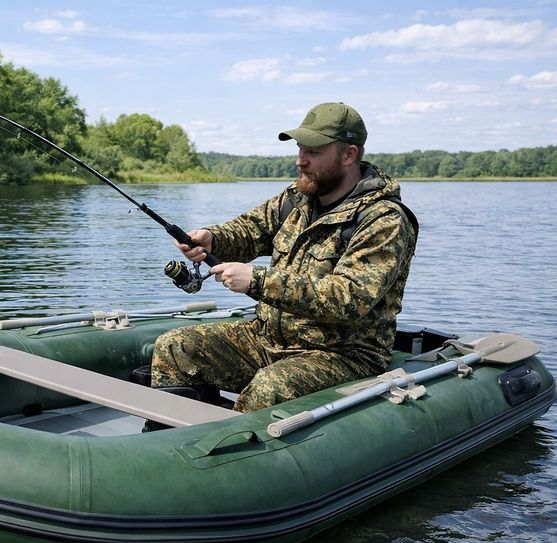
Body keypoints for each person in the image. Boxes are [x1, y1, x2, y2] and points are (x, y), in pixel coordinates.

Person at [148, 102, 418, 418]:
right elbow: (250, 229)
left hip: (343, 355)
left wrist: (258, 280)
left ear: (349, 155)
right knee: (176, 346)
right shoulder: (297, 198)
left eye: (314, 152)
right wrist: (211, 238)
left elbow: (350, 297)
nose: (300, 161)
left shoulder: (384, 220)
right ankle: (167, 441)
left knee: (271, 386)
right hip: (270, 338)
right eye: (300, 149)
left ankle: (227, 457)